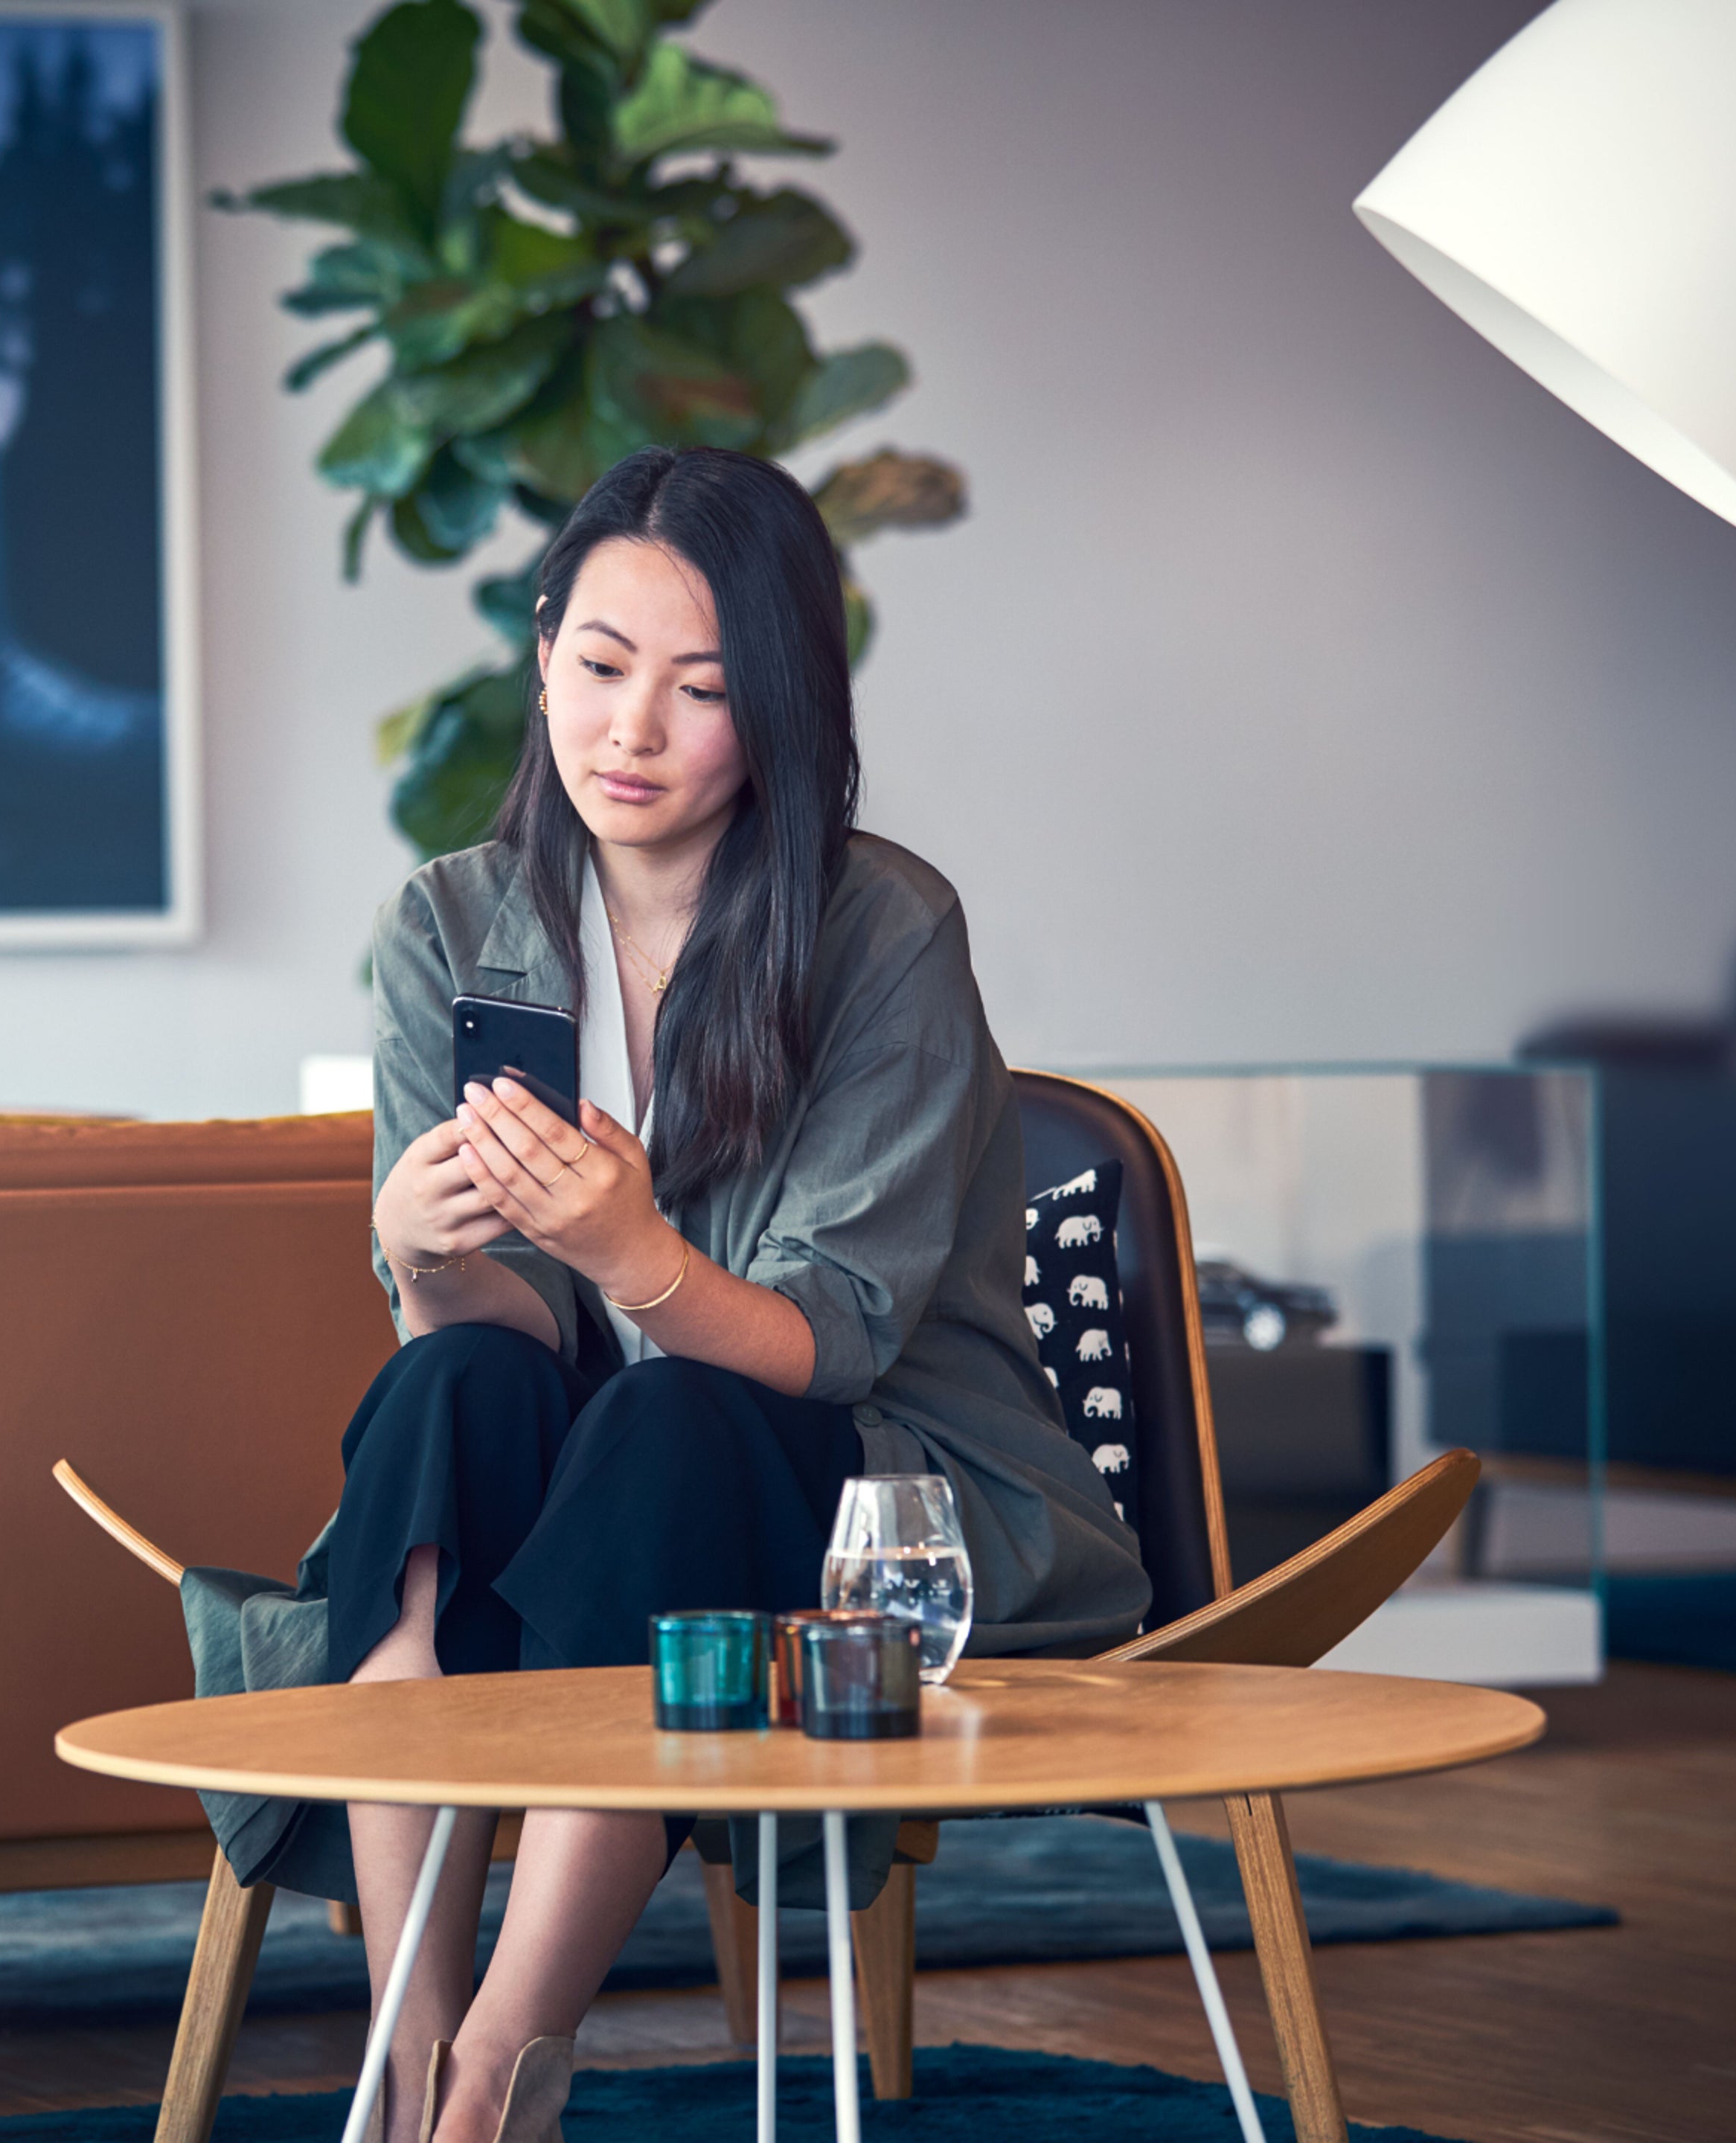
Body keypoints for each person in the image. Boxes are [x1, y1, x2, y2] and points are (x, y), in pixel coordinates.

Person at [342, 445, 1150, 2143]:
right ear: (541, 653)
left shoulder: (881, 930)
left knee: (670, 1411)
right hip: (604, 1468)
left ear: (778, 709)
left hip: (876, 1491)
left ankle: (503, 2070)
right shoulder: (452, 924)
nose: (631, 730)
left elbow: (829, 1337)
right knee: (444, 1394)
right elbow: (493, 1352)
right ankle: (410, 2049)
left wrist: (634, 1251)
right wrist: (429, 1261)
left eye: (700, 690)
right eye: (601, 667)